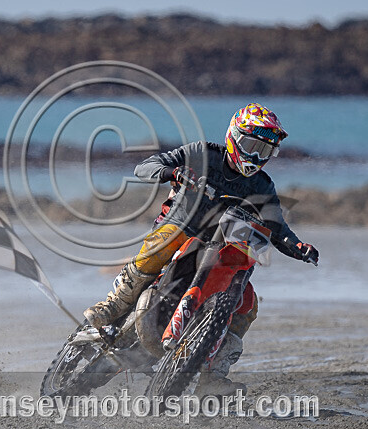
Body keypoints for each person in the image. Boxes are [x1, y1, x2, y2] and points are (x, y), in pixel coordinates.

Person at [83, 103, 318, 396]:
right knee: (162, 244)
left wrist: (299, 247)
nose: (256, 157)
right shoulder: (202, 154)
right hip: (180, 228)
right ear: (234, 137)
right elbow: (144, 167)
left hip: (222, 246)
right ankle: (114, 304)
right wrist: (173, 172)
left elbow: (279, 228)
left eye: (265, 151)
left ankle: (212, 375)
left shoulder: (262, 185)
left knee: (248, 304)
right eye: (252, 146)